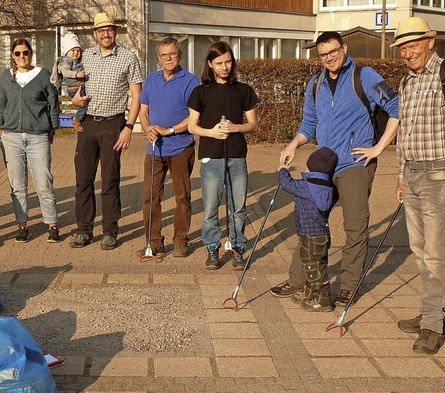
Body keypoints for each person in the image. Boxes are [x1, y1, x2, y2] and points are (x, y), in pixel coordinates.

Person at [269, 31, 400, 306]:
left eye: (334, 51)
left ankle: (348, 287)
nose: (329, 57)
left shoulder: (364, 76)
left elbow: (397, 105)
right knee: (310, 225)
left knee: (354, 227)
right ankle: (298, 279)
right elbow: (309, 124)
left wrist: (379, 148)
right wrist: (293, 144)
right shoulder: (315, 83)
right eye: (324, 54)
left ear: (344, 48)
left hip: (355, 164)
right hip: (324, 166)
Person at [391, 17, 445, 354]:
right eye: (402, 48)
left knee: (436, 255)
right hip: (412, 174)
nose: (408, 53)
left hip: (441, 175)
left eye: (413, 45)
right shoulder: (407, 83)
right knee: (420, 250)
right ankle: (434, 311)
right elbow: (404, 133)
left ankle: (433, 326)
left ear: (429, 42)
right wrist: (399, 175)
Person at [69, 12, 143, 250]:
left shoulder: (128, 57)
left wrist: (129, 127)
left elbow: (137, 96)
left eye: (109, 29)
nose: (106, 34)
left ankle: (110, 231)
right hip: (88, 123)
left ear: (115, 31)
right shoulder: (86, 56)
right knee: (83, 180)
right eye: (101, 30)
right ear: (95, 33)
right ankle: (83, 229)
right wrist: (74, 101)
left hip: (114, 124)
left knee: (110, 180)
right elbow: (72, 83)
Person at [187, 41, 258, 270]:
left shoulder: (244, 90)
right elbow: (191, 126)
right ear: (210, 64)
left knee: (238, 206)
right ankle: (212, 247)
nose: (224, 67)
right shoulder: (200, 92)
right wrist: (212, 132)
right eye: (219, 63)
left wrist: (236, 128)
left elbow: (253, 124)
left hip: (237, 156)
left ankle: (238, 247)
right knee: (210, 206)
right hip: (211, 156)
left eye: (228, 62)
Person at [136, 37, 199, 258]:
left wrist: (170, 130)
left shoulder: (191, 81)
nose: (168, 58)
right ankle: (154, 242)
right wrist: (148, 128)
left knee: (182, 197)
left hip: (182, 147)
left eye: (172, 54)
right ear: (159, 58)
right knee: (150, 197)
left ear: (179, 55)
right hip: (154, 149)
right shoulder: (151, 79)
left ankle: (181, 240)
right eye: (164, 55)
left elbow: (194, 117)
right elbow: (143, 111)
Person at [0, 38, 61, 244]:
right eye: (17, 53)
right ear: (13, 56)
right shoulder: (7, 76)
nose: (22, 57)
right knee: (18, 185)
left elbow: (53, 101)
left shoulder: (42, 75)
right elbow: (1, 103)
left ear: (31, 53)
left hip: (37, 136)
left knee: (44, 181)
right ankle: (22, 225)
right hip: (11, 136)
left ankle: (51, 224)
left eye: (25, 53)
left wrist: (52, 126)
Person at [278, 147, 338, 312]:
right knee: (319, 263)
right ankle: (311, 292)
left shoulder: (306, 186)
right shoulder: (329, 187)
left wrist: (283, 169)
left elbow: (286, 184)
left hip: (309, 235)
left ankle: (323, 299)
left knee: (312, 266)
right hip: (323, 234)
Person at [51, 32, 87, 132]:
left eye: (78, 50)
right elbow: (65, 72)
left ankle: (79, 119)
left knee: (86, 103)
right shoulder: (66, 61)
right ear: (67, 52)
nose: (76, 53)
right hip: (74, 87)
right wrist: (76, 74)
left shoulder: (79, 61)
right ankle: (77, 120)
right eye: (73, 50)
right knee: (85, 104)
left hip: (80, 86)